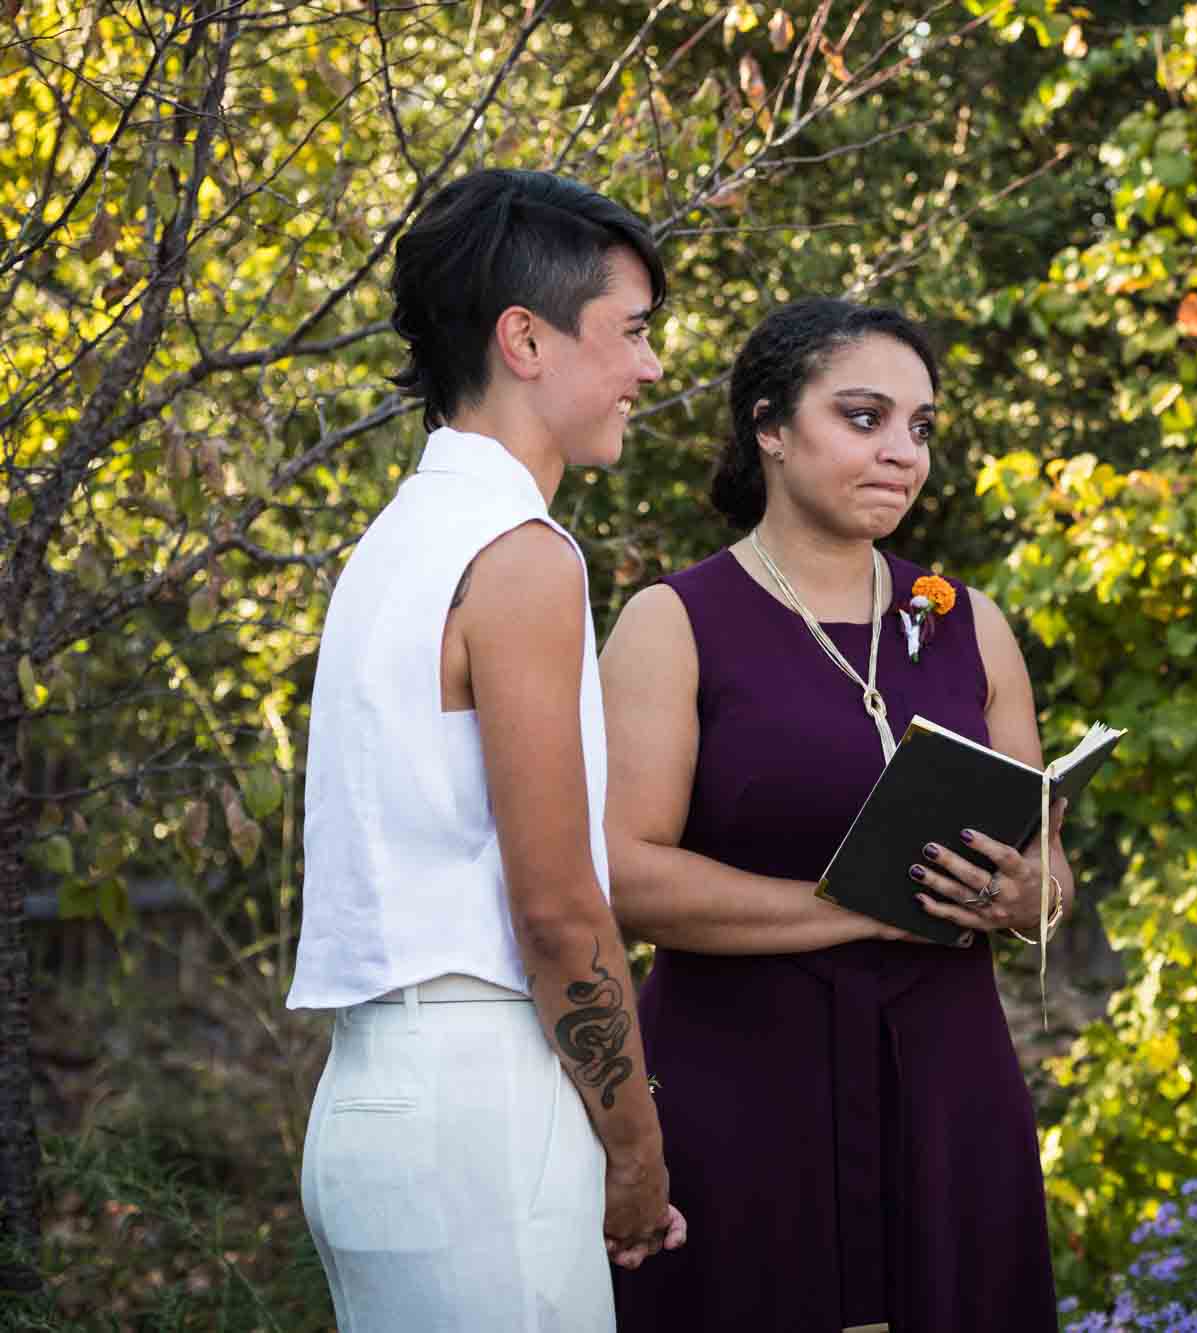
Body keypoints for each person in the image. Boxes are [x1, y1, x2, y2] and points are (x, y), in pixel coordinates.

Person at [600, 297, 1064, 1332]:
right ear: (768, 425)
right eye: (863, 417)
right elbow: (622, 874)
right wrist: (863, 909)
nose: (902, 451)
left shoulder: (969, 623)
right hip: (740, 1091)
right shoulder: (673, 623)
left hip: (947, 1088)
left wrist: (1030, 892)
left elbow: (1043, 872)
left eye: (921, 427)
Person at [288, 167, 688, 1331]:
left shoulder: (396, 542)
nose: (649, 369)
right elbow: (558, 906)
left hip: (373, 1097)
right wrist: (636, 1150)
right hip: (480, 1107)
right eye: (631, 333)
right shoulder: (519, 552)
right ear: (525, 338)